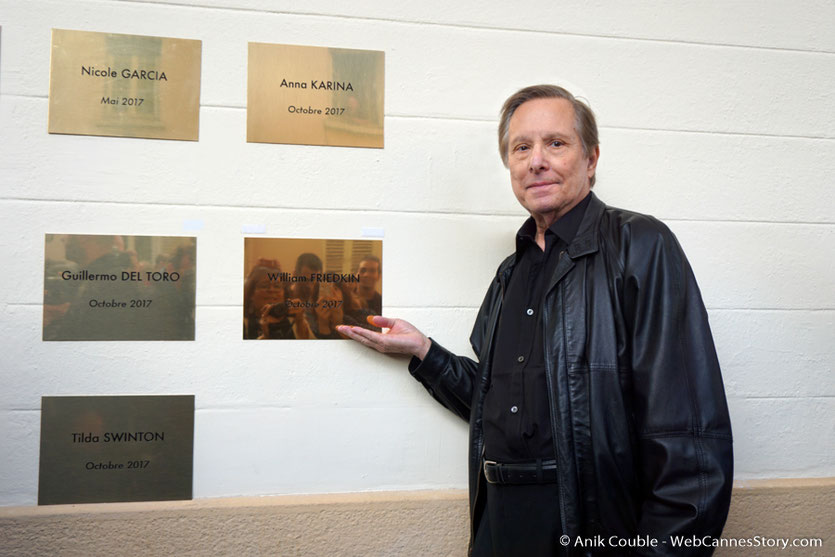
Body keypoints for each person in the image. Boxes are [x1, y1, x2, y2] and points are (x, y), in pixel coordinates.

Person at [338, 85, 733, 556]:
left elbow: (688, 433)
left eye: (556, 143)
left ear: (591, 159)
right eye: (521, 147)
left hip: (590, 527)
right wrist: (424, 352)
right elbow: (496, 405)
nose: (536, 161)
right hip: (498, 520)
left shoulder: (639, 245)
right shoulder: (510, 273)